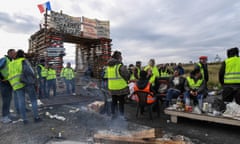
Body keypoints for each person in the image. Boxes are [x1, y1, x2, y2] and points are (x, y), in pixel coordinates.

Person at [8, 49, 42, 124]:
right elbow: (30, 71)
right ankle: (36, 117)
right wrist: (34, 80)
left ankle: (24, 120)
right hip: (26, 83)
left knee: (21, 102)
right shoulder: (23, 60)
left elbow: (9, 75)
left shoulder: (11, 64)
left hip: (16, 85)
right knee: (33, 100)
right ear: (23, 55)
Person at [107, 51, 130, 120]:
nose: (122, 58)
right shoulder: (120, 66)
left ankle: (113, 115)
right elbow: (127, 75)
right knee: (121, 103)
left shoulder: (109, 66)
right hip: (120, 88)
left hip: (112, 87)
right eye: (121, 56)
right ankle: (121, 117)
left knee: (113, 102)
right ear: (118, 58)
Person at [0, 49, 17, 123]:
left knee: (9, 99)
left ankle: (8, 114)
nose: (15, 55)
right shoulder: (4, 59)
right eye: (14, 53)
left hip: (9, 83)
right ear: (9, 53)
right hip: (4, 83)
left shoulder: (11, 61)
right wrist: (2, 78)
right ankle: (4, 117)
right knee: (6, 100)